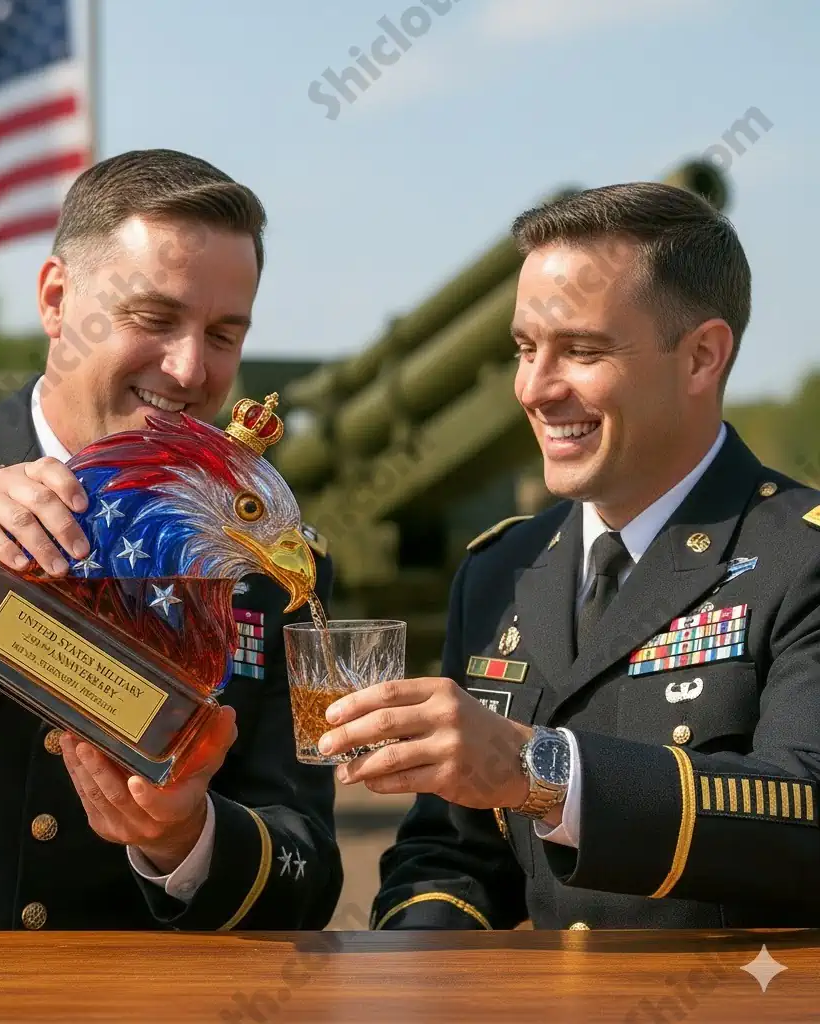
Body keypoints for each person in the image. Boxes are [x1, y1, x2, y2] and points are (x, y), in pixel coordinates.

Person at [0, 149, 342, 931]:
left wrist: (186, 839)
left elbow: (308, 870)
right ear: (57, 300)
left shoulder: (265, 566)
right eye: (153, 319)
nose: (190, 368)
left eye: (225, 334)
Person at [317, 181, 820, 929]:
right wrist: (417, 972)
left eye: (581, 350)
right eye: (525, 349)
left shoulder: (800, 558)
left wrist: (538, 772)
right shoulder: (500, 571)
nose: (535, 388)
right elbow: (452, 857)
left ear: (702, 358)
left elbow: (806, 813)